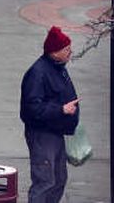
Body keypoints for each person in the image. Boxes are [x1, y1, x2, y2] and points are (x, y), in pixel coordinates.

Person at [20, 25, 80, 202]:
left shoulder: (58, 67)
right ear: (54, 52)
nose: (70, 52)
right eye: (66, 49)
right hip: (42, 135)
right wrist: (61, 110)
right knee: (45, 181)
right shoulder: (38, 73)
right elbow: (31, 109)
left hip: (56, 132)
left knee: (59, 180)